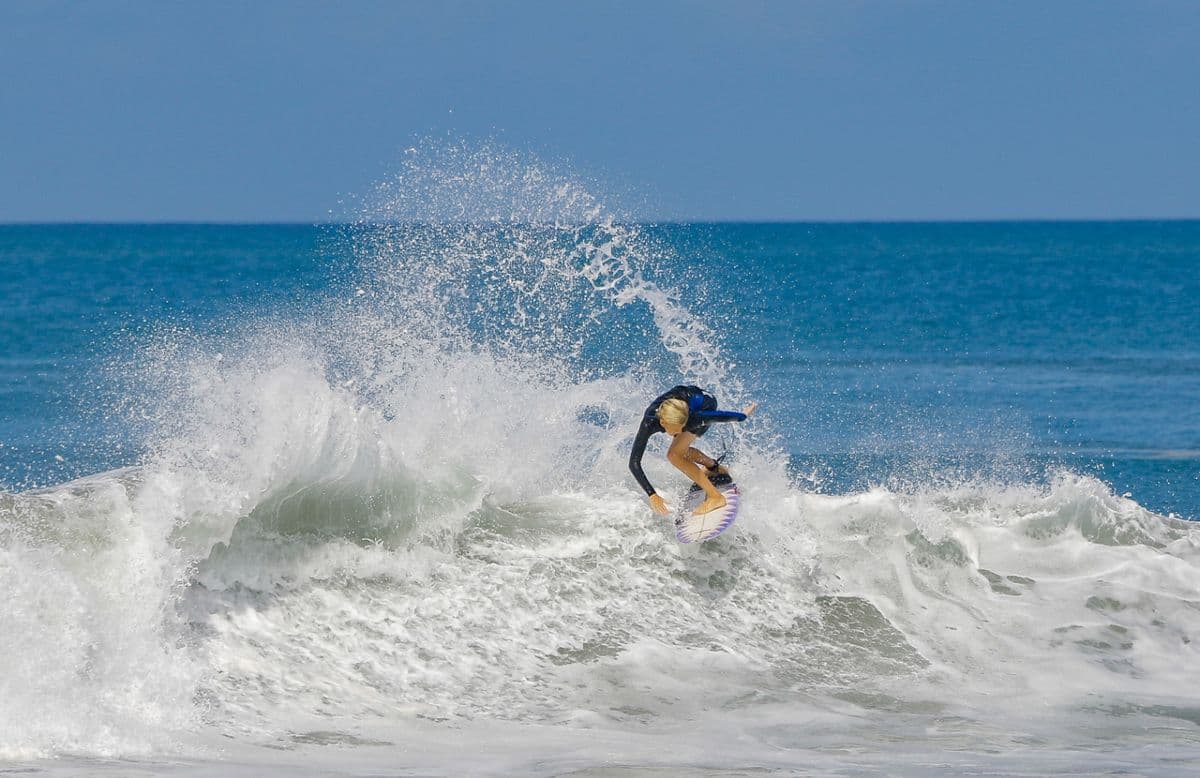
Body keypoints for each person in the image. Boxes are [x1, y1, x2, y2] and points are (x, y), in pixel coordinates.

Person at [628, 385, 757, 516]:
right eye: (677, 428)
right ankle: (714, 467)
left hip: (705, 404)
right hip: (685, 401)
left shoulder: (693, 418)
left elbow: (721, 416)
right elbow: (634, 463)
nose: (679, 432)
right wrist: (652, 494)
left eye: (682, 427)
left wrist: (743, 415)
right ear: (662, 422)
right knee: (679, 451)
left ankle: (716, 497)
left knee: (674, 454)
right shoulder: (648, 423)